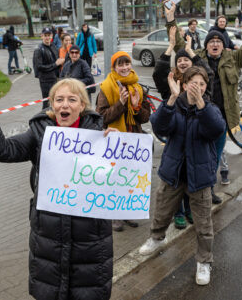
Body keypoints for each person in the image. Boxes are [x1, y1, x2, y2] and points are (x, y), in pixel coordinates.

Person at [0, 78, 115, 300]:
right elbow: (4, 150)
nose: (64, 105)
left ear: (81, 105)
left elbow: (118, 181)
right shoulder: (39, 132)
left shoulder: (99, 135)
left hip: (90, 241)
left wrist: (115, 149)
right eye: (59, 100)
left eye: (71, 99)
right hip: (49, 238)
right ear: (52, 104)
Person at [168, 0, 242, 203]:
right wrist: (170, 18)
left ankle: (208, 190)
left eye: (218, 41)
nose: (215, 44)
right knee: (196, 156)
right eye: (211, 41)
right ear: (206, 45)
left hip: (221, 119)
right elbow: (180, 42)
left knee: (214, 156)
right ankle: (189, 193)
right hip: (198, 116)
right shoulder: (198, 57)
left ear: (224, 45)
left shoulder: (234, 58)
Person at [140, 66, 225, 286]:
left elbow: (216, 129)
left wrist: (201, 105)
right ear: (184, 84)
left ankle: (204, 261)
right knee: (162, 208)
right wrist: (172, 98)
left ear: (206, 87)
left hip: (200, 175)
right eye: (193, 83)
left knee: (204, 223)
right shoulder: (174, 105)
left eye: (202, 84)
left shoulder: (210, 108)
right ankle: (157, 238)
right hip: (173, 171)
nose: (197, 87)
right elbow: (158, 126)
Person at [152, 29, 215, 228]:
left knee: (192, 176)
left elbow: (208, 72)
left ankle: (189, 210)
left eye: (186, 59)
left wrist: (190, 49)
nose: (183, 62)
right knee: (175, 177)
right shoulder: (172, 82)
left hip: (196, 137)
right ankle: (178, 213)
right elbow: (158, 71)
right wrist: (171, 47)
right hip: (175, 133)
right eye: (179, 60)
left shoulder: (201, 81)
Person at [96, 51, 151, 231]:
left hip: (134, 140)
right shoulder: (106, 87)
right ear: (114, 67)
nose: (125, 67)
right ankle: (115, 216)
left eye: (127, 63)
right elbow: (101, 118)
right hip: (114, 141)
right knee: (114, 179)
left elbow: (144, 118)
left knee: (130, 178)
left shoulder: (138, 88)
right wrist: (120, 103)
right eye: (120, 64)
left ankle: (127, 212)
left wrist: (135, 106)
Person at [32, 27, 65, 109]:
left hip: (55, 78)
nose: (47, 37)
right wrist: (55, 64)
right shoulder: (39, 49)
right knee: (46, 103)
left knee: (56, 101)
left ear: (52, 36)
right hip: (45, 80)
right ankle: (43, 119)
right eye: (45, 35)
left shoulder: (53, 46)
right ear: (42, 36)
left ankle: (54, 118)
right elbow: (39, 66)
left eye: (49, 35)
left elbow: (57, 60)